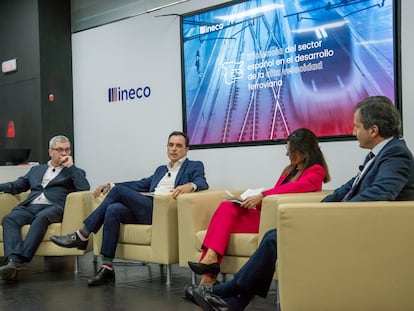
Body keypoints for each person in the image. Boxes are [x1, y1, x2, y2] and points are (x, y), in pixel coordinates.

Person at [187, 95, 414, 311]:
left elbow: (379, 194)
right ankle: (233, 301)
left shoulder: (396, 155)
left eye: (357, 127)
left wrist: (332, 214)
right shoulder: (378, 155)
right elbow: (348, 188)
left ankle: (228, 292)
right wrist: (320, 209)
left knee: (275, 237)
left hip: (360, 229)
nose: (354, 132)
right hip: (349, 222)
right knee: (272, 235)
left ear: (373, 130)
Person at [50, 131, 209, 286]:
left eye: (179, 146)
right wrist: (110, 185)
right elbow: (140, 184)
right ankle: (107, 268)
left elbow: (202, 182)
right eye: (171, 145)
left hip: (163, 212)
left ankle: (82, 234)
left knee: (117, 193)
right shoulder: (161, 169)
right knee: (113, 209)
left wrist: (190, 185)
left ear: (186, 149)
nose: (174, 149)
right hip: (147, 207)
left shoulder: (194, 166)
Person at [187, 128, 330, 287]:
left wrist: (262, 195)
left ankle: (209, 271)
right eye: (287, 149)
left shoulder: (316, 171)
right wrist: (250, 198)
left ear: (304, 152)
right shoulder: (289, 169)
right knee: (227, 206)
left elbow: (294, 189)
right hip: (265, 214)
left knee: (221, 222)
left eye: (291, 151)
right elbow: (278, 193)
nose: (287, 154)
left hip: (276, 220)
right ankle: (209, 268)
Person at [0, 135, 90, 281]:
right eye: (59, 149)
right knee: (10, 218)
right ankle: (12, 260)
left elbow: (84, 188)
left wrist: (71, 167)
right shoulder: (36, 170)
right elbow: (16, 186)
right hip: (31, 205)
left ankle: (19, 261)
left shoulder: (75, 171)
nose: (64, 153)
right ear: (50, 152)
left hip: (54, 207)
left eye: (67, 149)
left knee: (41, 218)